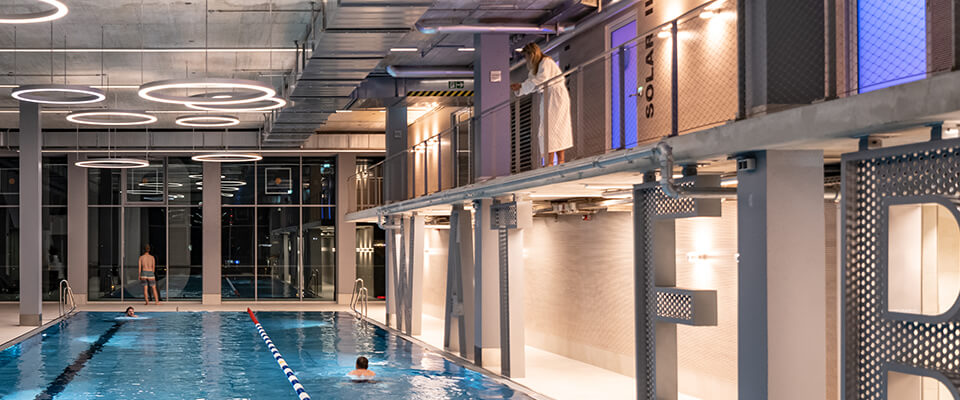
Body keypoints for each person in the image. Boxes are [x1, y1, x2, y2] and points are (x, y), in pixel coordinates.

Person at [511, 42, 573, 166]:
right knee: (550, 127)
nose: (526, 59)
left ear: (531, 54)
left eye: (526, 56)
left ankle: (555, 161)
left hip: (555, 96)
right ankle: (553, 161)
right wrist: (520, 88)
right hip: (548, 96)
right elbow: (533, 82)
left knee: (552, 127)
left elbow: (541, 80)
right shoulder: (536, 67)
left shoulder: (546, 62)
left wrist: (522, 86)